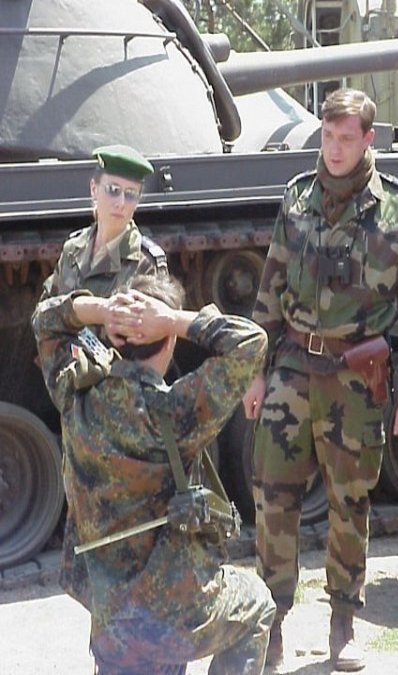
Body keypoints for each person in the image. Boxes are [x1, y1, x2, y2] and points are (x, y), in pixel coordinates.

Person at [242, 88, 398, 671]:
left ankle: (343, 622)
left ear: (368, 138)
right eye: (328, 136)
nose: (334, 148)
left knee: (350, 503)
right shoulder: (297, 197)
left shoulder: (397, 207)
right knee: (273, 498)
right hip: (293, 367)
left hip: (356, 377)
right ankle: (272, 623)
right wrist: (255, 374)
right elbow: (270, 289)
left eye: (346, 138)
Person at [32, 272, 275, 675]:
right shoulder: (177, 413)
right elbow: (251, 341)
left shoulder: (76, 396)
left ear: (115, 339)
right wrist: (174, 320)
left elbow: (45, 319)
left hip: (108, 614)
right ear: (169, 341)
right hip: (170, 616)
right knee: (257, 604)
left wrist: (103, 310)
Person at [38, 143, 167, 347]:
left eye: (131, 193)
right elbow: (44, 312)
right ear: (94, 189)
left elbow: (152, 346)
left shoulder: (144, 263)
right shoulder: (73, 248)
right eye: (113, 190)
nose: (121, 202)